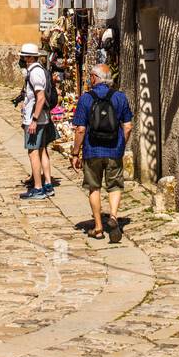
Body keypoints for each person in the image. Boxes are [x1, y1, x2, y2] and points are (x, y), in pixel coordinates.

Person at [71, 63, 133, 242]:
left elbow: (81, 129)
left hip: (92, 150)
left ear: (94, 78)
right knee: (114, 186)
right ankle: (113, 217)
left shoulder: (86, 99)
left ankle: (98, 227)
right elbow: (128, 127)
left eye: (90, 76)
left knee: (94, 187)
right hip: (114, 150)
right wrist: (121, 145)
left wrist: (76, 153)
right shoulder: (120, 97)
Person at [17, 41, 55, 200]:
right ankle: (47, 183)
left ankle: (38, 188)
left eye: (24, 57)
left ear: (28, 58)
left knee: (33, 152)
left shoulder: (34, 73)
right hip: (43, 118)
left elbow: (40, 98)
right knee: (42, 150)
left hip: (36, 120)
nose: (22, 60)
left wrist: (33, 119)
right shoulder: (40, 70)